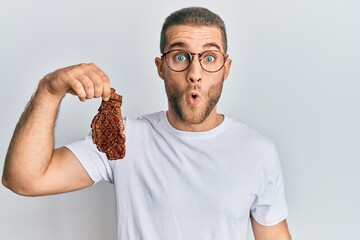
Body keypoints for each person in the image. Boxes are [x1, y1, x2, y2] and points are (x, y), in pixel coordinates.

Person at [2, 7, 291, 240]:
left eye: (209, 57)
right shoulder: (125, 139)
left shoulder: (257, 151)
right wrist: (49, 90)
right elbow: (23, 179)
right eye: (180, 56)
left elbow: (274, 235)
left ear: (225, 69)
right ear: (161, 67)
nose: (195, 73)